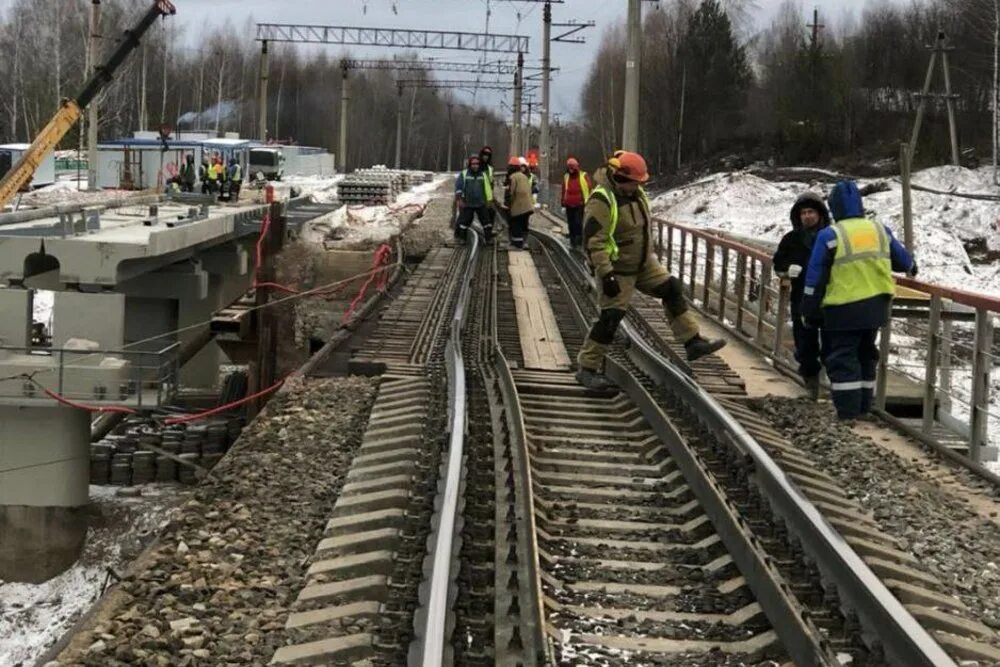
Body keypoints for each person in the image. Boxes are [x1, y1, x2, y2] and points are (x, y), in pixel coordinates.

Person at [576, 151, 726, 390]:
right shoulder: (601, 200)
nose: (638, 186)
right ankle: (587, 367)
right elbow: (595, 242)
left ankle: (692, 341)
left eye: (640, 182)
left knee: (671, 288)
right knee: (611, 317)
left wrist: (648, 257)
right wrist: (606, 274)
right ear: (619, 177)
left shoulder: (636, 194)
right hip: (618, 269)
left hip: (644, 264)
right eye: (634, 182)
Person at [801, 180, 917, 421]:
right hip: (876, 308)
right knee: (866, 355)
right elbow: (904, 261)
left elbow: (815, 278)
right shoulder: (879, 230)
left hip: (843, 309)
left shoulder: (830, 235)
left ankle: (847, 413)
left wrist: (809, 311)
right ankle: (865, 407)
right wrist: (912, 267)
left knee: (842, 358)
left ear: (834, 207)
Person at [772, 192, 831, 399]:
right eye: (803, 213)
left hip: (829, 297)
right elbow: (777, 264)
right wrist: (787, 271)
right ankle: (811, 383)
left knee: (832, 344)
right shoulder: (791, 239)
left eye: (811, 212)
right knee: (805, 344)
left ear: (820, 214)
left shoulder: (832, 237)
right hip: (801, 299)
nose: (807, 216)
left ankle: (833, 387)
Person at [454, 154, 494, 242]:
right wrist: (459, 199)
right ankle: (462, 239)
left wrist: (489, 200)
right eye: (473, 164)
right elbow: (459, 187)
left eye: (477, 164)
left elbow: (487, 188)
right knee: (464, 222)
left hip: (481, 203)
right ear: (470, 164)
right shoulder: (464, 174)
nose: (475, 165)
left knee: (486, 222)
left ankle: (488, 239)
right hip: (468, 203)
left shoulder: (483, 175)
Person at [503, 156, 534, 249]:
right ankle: (524, 243)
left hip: (518, 207)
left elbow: (510, 193)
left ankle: (517, 245)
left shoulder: (512, 177)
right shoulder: (524, 176)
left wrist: (507, 204)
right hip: (528, 206)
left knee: (516, 225)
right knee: (524, 225)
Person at [561, 157, 592, 249]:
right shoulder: (566, 177)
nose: (571, 170)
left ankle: (579, 240)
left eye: (572, 168)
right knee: (571, 223)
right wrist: (562, 203)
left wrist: (588, 201)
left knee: (578, 222)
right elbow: (564, 190)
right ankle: (573, 240)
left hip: (580, 204)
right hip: (569, 204)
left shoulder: (583, 176)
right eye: (569, 168)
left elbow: (589, 188)